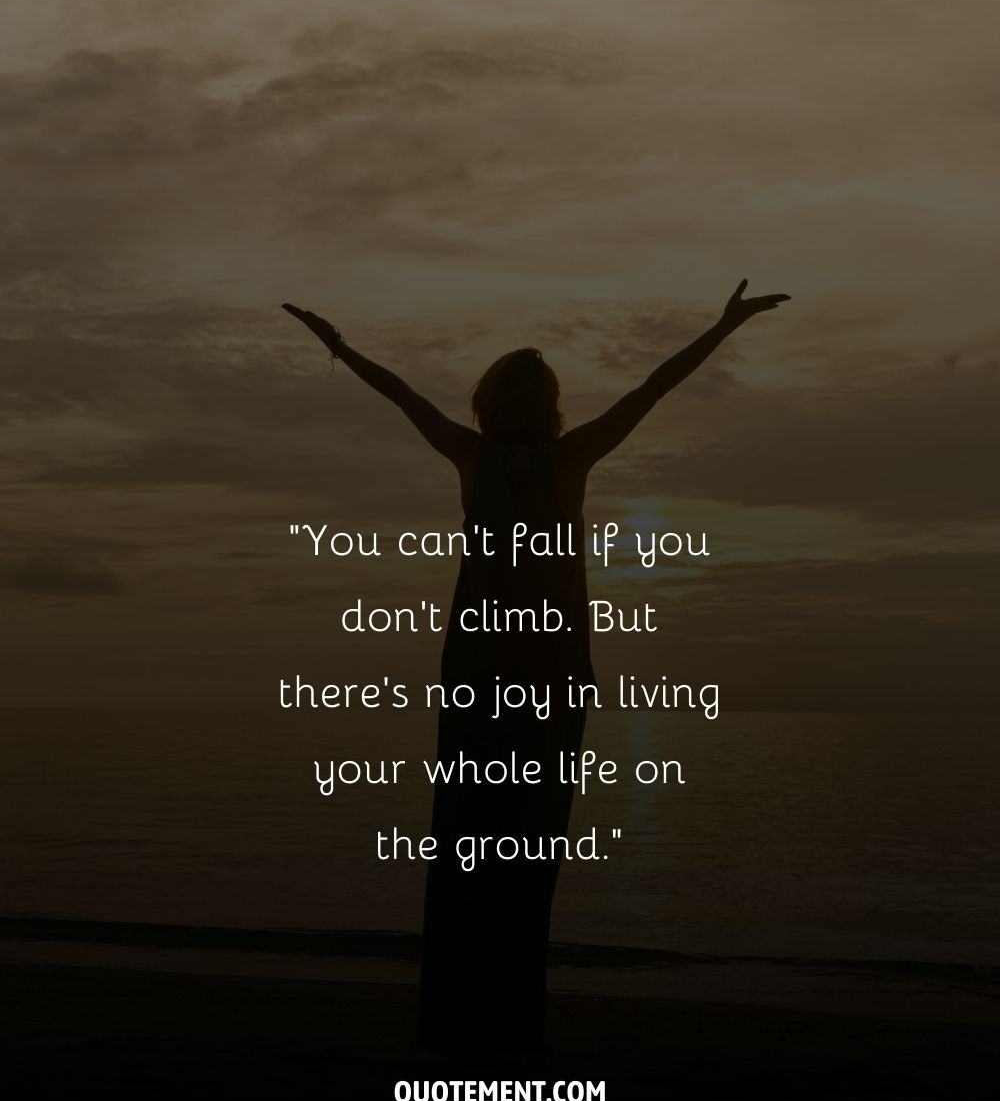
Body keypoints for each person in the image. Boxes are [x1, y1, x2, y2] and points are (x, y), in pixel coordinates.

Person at [283, 279, 790, 1055]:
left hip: (484, 677)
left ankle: (456, 1023)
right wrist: (723, 328)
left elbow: (401, 393)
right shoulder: (571, 455)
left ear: (488, 402)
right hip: (547, 681)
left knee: (464, 852)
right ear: (547, 404)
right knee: (526, 856)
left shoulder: (471, 453)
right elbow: (654, 386)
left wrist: (340, 346)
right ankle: (509, 1026)